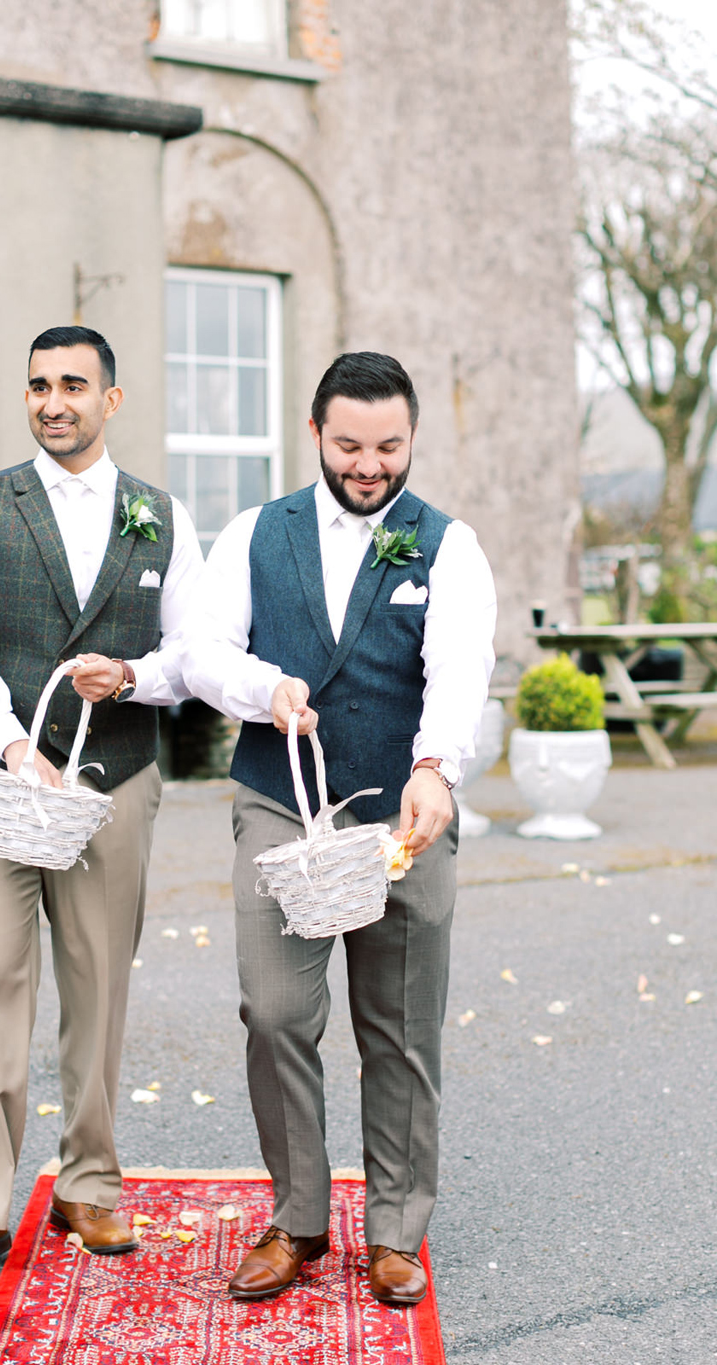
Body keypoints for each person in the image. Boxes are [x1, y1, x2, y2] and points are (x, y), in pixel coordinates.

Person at [181, 351, 496, 1305]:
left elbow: (461, 669)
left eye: (390, 446)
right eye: (351, 444)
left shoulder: (447, 545)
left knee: (401, 1028)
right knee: (275, 1012)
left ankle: (397, 1229)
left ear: (411, 441)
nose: (370, 465)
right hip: (281, 801)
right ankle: (299, 1218)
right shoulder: (252, 533)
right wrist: (259, 687)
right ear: (314, 432)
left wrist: (437, 769)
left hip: (405, 810)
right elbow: (202, 651)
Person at [0, 325, 202, 1281]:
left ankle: (89, 1184)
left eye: (74, 383)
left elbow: (192, 653)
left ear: (111, 399)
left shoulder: (160, 513)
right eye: (39, 384)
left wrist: (134, 675)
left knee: (98, 987)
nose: (53, 400)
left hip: (115, 783)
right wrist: (16, 746)